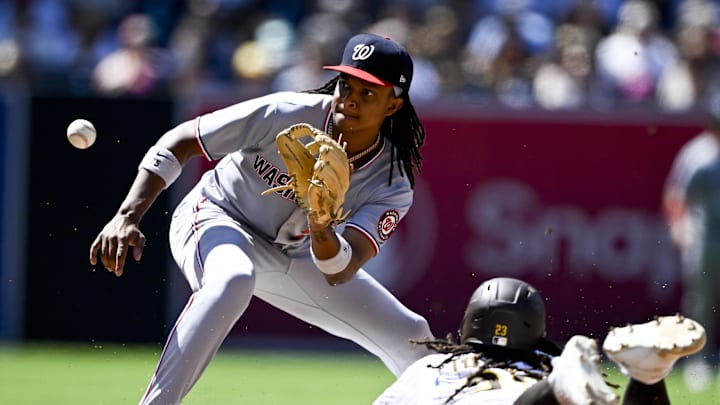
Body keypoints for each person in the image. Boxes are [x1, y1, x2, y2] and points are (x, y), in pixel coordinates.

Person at [89, 33, 434, 404]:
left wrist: (320, 227)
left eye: (368, 93)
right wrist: (127, 215)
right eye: (346, 84)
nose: (350, 99)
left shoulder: (391, 182)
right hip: (217, 216)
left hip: (295, 252)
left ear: (393, 105)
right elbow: (182, 140)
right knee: (232, 279)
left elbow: (339, 270)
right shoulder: (288, 112)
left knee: (413, 337)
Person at [373, 277, 707, 405]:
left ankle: (554, 393)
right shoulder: (542, 368)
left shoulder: (429, 366)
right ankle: (648, 377)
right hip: (529, 393)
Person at [661, 110, 720, 391]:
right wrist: (679, 226)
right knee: (701, 301)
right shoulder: (697, 154)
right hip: (705, 239)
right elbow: (676, 195)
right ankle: (698, 359)